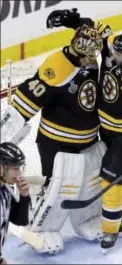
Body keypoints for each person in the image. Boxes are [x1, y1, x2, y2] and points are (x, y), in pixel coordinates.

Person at [46, 8, 122, 252]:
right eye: (112, 51)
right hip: (106, 129)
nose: (110, 55)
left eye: (118, 55)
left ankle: (110, 231)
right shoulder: (115, 49)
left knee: (110, 179)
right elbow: (97, 29)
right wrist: (74, 22)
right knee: (120, 173)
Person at [1, 24, 107, 253]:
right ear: (74, 42)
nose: (87, 53)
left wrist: (77, 20)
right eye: (83, 47)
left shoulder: (89, 61)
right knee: (61, 186)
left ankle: (86, 219)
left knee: (90, 183)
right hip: (58, 142)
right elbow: (27, 99)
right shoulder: (57, 66)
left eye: (92, 49)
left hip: (88, 139)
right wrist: (5, 134)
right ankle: (41, 230)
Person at [0, 142, 30, 264]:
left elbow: (20, 220)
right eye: (15, 168)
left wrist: (24, 196)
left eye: (20, 168)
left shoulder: (6, 190)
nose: (19, 174)